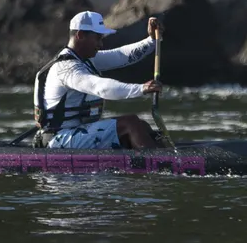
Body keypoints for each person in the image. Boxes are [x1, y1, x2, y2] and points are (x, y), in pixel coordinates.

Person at [32, 10, 164, 149]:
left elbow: (121, 55)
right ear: (80, 35)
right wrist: (141, 89)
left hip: (76, 133)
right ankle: (161, 164)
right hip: (58, 139)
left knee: (142, 125)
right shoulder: (66, 68)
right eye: (98, 38)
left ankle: (163, 157)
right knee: (130, 124)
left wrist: (152, 40)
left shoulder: (85, 59)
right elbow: (100, 87)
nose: (101, 44)